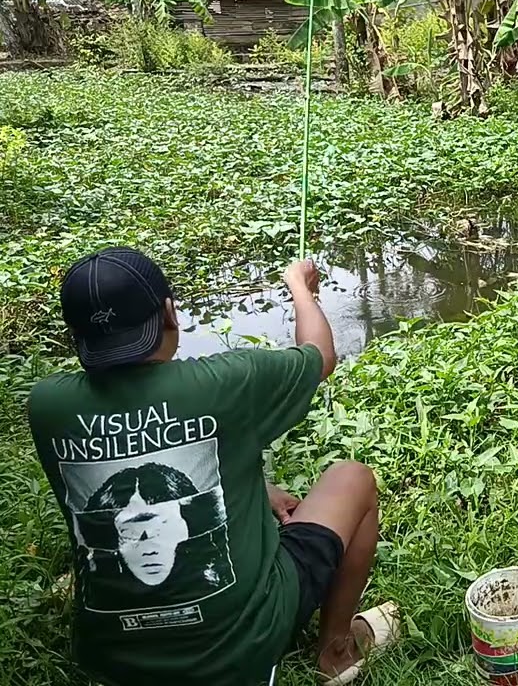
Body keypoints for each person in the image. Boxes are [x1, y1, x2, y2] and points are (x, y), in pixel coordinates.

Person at [26, 247, 398, 686]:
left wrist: (260, 490)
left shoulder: (47, 406)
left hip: (112, 662)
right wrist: (300, 287)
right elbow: (319, 354)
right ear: (169, 312)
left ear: (77, 336)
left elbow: (153, 445)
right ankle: (335, 652)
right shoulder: (225, 382)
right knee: (352, 478)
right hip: (242, 648)